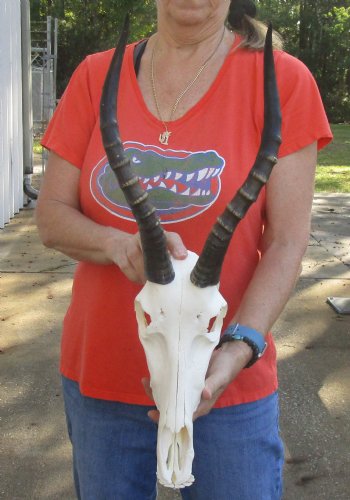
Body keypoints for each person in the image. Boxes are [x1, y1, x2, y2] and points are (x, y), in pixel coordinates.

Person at [36, 1, 332, 498]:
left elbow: (285, 242)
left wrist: (239, 349)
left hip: (223, 377)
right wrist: (115, 244)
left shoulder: (281, 80)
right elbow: (51, 217)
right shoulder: (96, 76)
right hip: (103, 378)